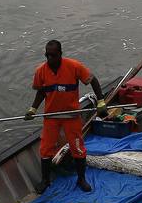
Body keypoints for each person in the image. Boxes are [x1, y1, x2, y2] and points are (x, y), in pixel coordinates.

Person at [25, 39, 104, 193]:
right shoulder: (41, 71)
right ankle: (45, 181)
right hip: (51, 116)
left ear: (60, 54)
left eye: (53, 55)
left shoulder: (74, 66)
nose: (50, 59)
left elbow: (93, 80)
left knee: (78, 148)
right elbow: (41, 91)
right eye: (47, 55)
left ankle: (81, 179)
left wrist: (100, 101)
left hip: (72, 116)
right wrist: (33, 109)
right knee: (46, 148)